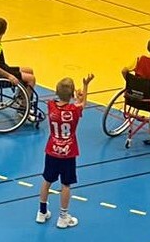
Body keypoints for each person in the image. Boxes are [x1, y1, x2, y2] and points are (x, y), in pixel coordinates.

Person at [36, 73, 94, 229]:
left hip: (52, 150)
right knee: (66, 185)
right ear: (72, 94)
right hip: (68, 153)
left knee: (47, 180)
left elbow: (61, 104)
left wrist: (74, 97)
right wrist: (84, 88)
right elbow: (82, 104)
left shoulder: (50, 105)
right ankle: (63, 217)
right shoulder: (74, 110)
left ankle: (42, 212)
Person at [0, 17, 36, 95]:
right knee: (31, 79)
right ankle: (23, 101)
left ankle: (20, 95)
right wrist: (9, 76)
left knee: (29, 70)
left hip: (0, 69)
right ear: (4, 31)